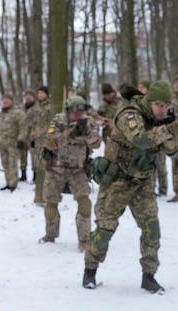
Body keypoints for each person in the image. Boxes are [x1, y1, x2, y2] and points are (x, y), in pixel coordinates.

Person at [83, 80, 178, 294]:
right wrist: (169, 129)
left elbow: (173, 151)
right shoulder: (129, 114)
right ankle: (90, 271)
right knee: (105, 229)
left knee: (152, 228)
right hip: (118, 180)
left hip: (143, 183)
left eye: (167, 106)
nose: (163, 111)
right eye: (159, 106)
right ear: (149, 101)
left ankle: (149, 276)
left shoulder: (160, 121)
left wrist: (173, 132)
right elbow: (141, 140)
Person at [40, 96, 101, 250]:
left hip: (78, 170)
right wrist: (71, 132)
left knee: (85, 203)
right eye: (75, 112)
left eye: (81, 112)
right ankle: (50, 235)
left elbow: (97, 143)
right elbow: (51, 140)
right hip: (56, 169)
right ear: (68, 111)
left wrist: (86, 133)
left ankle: (84, 240)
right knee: (51, 203)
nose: (78, 115)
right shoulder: (58, 121)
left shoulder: (87, 122)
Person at [0, 94, 27, 192]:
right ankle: (8, 182)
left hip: (13, 144)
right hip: (2, 143)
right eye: (4, 100)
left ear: (12, 101)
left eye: (7, 100)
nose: (5, 102)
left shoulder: (18, 113)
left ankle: (13, 183)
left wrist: (21, 139)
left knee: (12, 164)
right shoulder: (0, 115)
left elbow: (23, 127)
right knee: (5, 164)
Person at [33, 85, 53, 203]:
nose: (40, 95)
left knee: (46, 166)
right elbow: (31, 123)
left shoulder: (50, 106)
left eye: (42, 93)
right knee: (38, 166)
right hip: (37, 141)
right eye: (38, 93)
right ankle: (39, 194)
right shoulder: (35, 107)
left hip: (47, 140)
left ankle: (47, 194)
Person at [168, 75, 178, 202]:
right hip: (174, 137)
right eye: (175, 83)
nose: (176, 85)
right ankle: (177, 191)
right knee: (175, 165)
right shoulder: (170, 99)